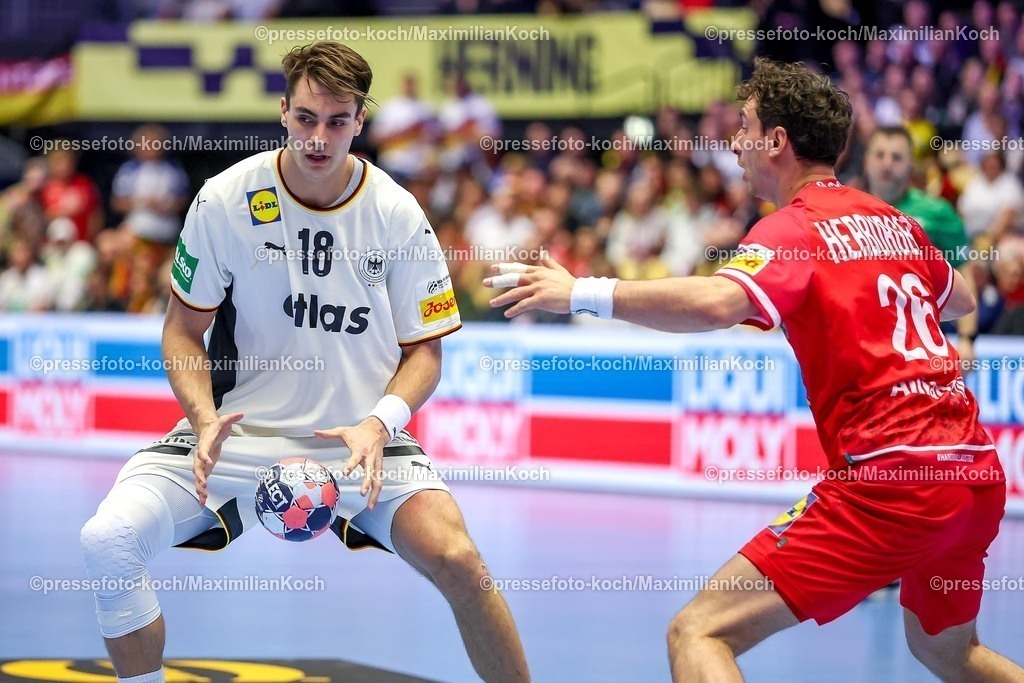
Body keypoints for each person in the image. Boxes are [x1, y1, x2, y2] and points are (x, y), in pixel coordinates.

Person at [486, 58, 1023, 682]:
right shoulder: (895, 222)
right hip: (975, 477)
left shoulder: (793, 227)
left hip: (889, 482)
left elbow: (718, 304)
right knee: (949, 652)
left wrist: (583, 292)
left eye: (744, 127)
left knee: (699, 631)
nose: (735, 143)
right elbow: (955, 297)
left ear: (777, 141)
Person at [81, 41, 529, 683]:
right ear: (283, 111)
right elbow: (183, 331)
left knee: (461, 562)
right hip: (232, 434)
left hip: (358, 439)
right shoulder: (225, 199)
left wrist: (381, 423)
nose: (320, 137)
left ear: (360, 121)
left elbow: (424, 353)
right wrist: (202, 417)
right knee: (108, 541)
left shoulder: (398, 215)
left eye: (338, 122)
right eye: (307, 119)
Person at [863, 125, 978, 365]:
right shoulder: (845, 210)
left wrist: (967, 338)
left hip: (923, 343)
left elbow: (963, 272)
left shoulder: (939, 213)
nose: (886, 164)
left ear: (910, 166)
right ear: (866, 161)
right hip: (863, 340)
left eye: (896, 157)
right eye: (879, 155)